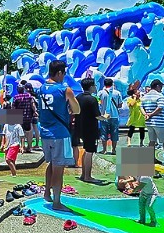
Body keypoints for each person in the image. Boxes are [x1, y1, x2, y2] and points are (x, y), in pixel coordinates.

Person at [37, 60, 81, 210]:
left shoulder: (41, 88)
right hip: (60, 134)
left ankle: (46, 194)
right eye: (64, 73)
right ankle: (57, 202)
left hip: (45, 133)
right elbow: (77, 110)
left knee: (51, 164)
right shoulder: (64, 89)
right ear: (60, 72)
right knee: (59, 168)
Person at [141, 80, 164, 167]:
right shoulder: (159, 96)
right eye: (161, 86)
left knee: (152, 141)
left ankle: (152, 159)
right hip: (160, 123)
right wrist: (151, 114)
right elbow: (160, 107)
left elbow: (141, 107)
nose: (161, 88)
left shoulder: (145, 96)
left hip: (149, 123)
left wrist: (146, 114)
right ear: (157, 86)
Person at [74, 79, 103, 183]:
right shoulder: (92, 99)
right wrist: (105, 118)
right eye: (94, 85)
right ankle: (88, 176)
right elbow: (97, 115)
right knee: (90, 152)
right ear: (91, 87)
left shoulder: (78, 97)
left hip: (80, 128)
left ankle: (83, 175)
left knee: (86, 151)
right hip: (90, 128)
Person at [96, 78, 123, 155]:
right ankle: (114, 150)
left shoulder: (100, 93)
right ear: (112, 84)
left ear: (104, 84)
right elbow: (120, 105)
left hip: (104, 116)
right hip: (114, 116)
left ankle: (104, 150)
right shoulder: (117, 93)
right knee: (114, 133)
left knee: (104, 133)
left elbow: (98, 103)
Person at [12, 82, 38, 153]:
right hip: (28, 117)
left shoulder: (16, 97)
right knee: (29, 132)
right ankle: (29, 147)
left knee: (20, 132)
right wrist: (35, 111)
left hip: (18, 117)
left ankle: (22, 147)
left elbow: (13, 107)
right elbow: (32, 104)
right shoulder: (28, 96)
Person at [125, 81, 147, 146]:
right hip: (133, 117)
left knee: (142, 130)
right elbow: (132, 104)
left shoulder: (141, 99)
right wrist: (134, 98)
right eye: (137, 93)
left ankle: (141, 142)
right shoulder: (130, 99)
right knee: (131, 129)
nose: (138, 93)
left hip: (140, 117)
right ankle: (129, 142)